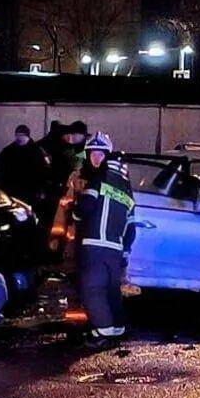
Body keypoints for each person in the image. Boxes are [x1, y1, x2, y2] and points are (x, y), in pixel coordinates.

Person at [73, 132, 136, 349]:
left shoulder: (97, 180)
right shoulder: (126, 187)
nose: (96, 159)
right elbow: (131, 225)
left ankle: (102, 330)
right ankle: (117, 327)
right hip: (115, 249)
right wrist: (125, 251)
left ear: (107, 156)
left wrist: (74, 212)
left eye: (99, 155)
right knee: (111, 290)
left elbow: (84, 209)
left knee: (92, 289)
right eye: (93, 154)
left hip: (94, 245)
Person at [0, 124, 48, 205]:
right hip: (13, 191)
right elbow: (0, 170)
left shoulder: (37, 152)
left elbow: (44, 171)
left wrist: (41, 189)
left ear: (27, 136)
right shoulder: (8, 151)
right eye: (17, 135)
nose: (19, 138)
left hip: (31, 192)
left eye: (21, 135)